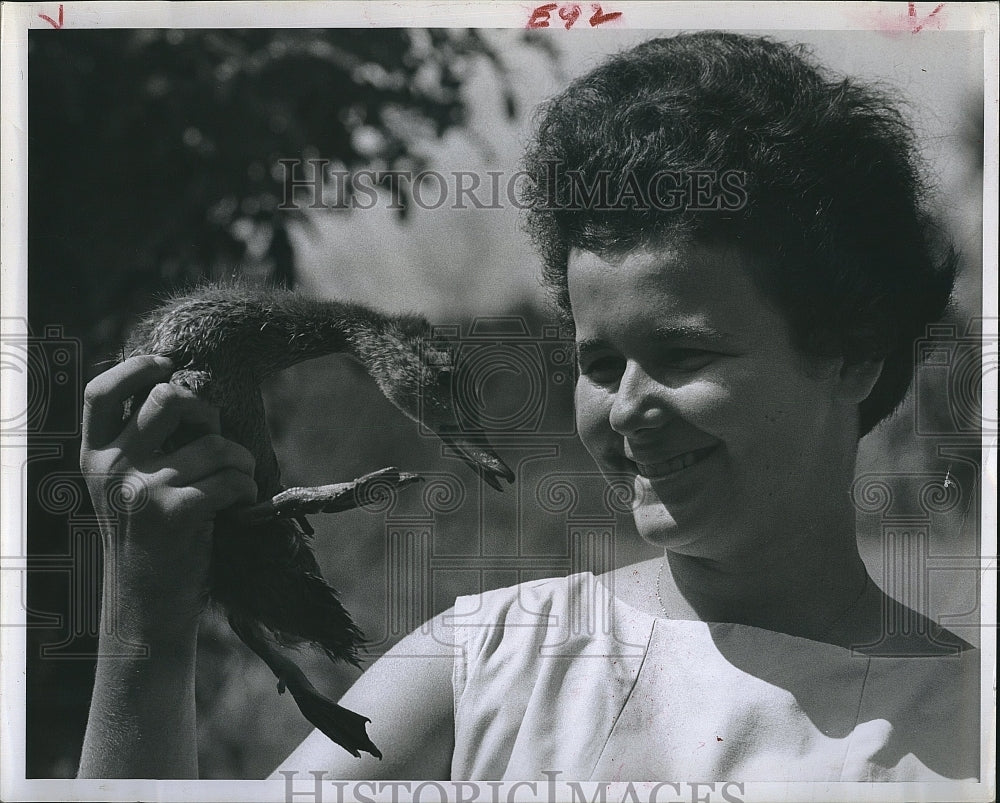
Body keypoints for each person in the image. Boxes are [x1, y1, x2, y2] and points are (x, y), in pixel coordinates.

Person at [77, 31, 979, 781]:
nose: (626, 408)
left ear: (852, 354)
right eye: (600, 362)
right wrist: (145, 619)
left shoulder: (969, 728)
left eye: (684, 354)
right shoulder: (487, 661)